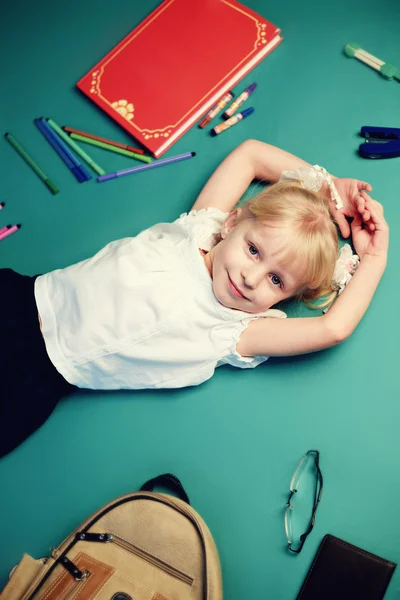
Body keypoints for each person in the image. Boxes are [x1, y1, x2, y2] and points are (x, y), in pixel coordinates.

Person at [0, 140, 388, 458]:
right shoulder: (200, 226)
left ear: (287, 296)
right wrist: (332, 189)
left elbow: (333, 328)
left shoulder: (235, 330)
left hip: (33, 375)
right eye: (253, 250)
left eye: (276, 279)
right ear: (233, 223)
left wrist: (373, 257)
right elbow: (251, 155)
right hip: (21, 297)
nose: (250, 278)